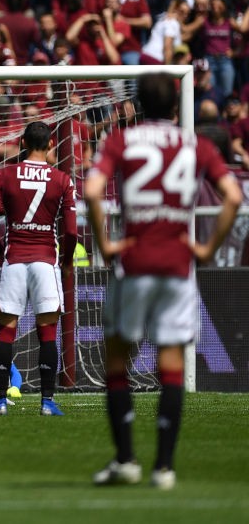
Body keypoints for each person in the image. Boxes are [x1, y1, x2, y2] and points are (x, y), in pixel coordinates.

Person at [84, 73, 242, 490]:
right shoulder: (196, 144)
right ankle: (165, 468)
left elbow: (93, 190)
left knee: (117, 360)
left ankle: (126, 460)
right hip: (177, 266)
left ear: (137, 105)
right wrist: (206, 250)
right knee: (170, 364)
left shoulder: (121, 140)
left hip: (134, 263)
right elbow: (233, 196)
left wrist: (105, 243)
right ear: (176, 106)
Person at [0, 121, 77, 416]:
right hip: (45, 261)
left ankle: (0, 401)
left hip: (14, 260)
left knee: (6, 332)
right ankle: (47, 402)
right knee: (47, 332)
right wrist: (67, 262)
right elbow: (71, 231)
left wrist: (1, 252)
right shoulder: (62, 180)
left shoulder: (4, 175)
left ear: (22, 143)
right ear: (51, 145)